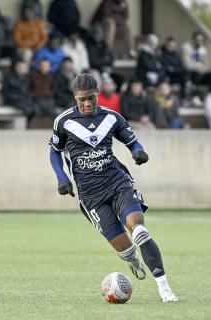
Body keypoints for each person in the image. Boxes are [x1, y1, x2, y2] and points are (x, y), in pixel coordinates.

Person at [49, 73, 178, 303]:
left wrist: (137, 151)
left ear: (98, 94)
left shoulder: (112, 117)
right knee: (125, 248)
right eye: (82, 100)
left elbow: (131, 140)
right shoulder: (64, 121)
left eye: (91, 98)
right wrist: (62, 177)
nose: (87, 103)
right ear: (75, 98)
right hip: (91, 196)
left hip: (117, 183)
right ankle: (133, 260)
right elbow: (54, 151)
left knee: (138, 228)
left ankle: (164, 288)